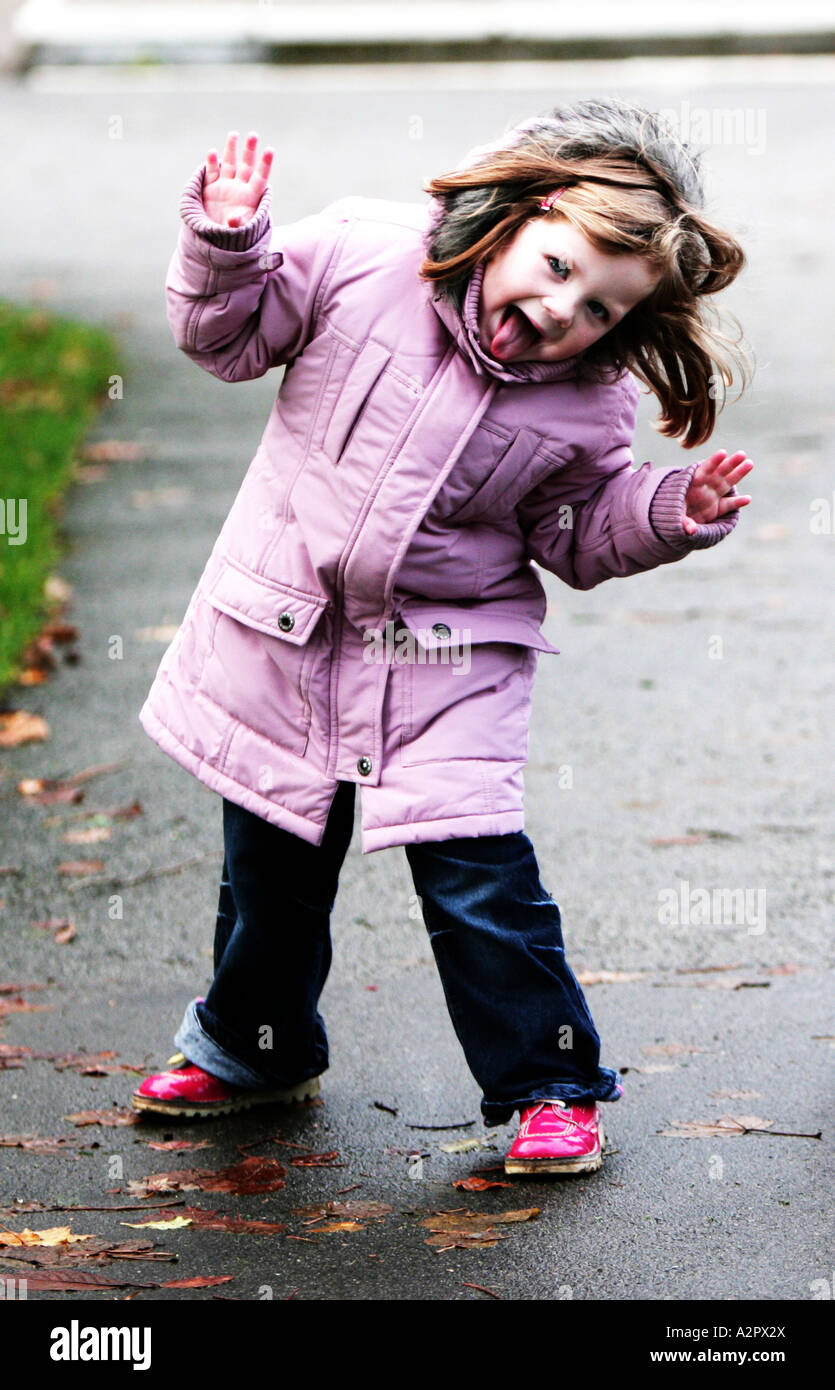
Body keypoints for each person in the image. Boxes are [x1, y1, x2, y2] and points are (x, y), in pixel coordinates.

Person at [132, 99, 754, 1176]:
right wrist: (227, 244)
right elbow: (226, 337)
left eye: (602, 309)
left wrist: (666, 512)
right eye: (558, 268)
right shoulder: (363, 258)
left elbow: (573, 527)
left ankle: (550, 1083)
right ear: (523, 211)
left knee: (478, 876)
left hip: (448, 657)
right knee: (271, 863)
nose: (566, 311)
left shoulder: (586, 402)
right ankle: (253, 1045)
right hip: (293, 632)